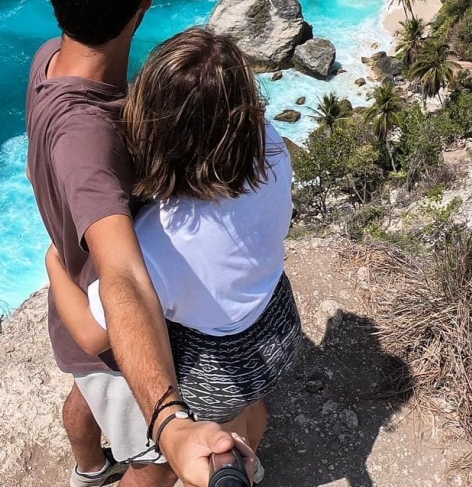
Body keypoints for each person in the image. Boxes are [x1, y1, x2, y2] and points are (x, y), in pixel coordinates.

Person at [26, 0, 237, 487]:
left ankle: (88, 471)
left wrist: (57, 257)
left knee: (85, 399)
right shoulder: (91, 137)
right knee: (154, 470)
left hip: (76, 305)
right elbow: (122, 274)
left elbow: (36, 172)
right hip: (111, 331)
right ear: (146, 0)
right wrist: (169, 423)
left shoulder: (48, 59)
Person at [46, 28, 301, 482]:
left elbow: (92, 335)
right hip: (276, 324)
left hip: (213, 366)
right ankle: (254, 462)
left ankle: (235, 464)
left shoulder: (160, 241)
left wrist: (54, 262)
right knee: (249, 411)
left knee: (166, 468)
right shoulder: (270, 145)